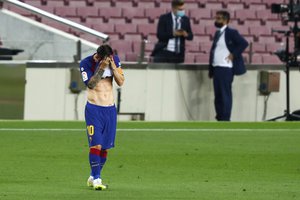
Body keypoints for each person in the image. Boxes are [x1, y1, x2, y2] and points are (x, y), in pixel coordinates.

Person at [79, 44, 124, 190]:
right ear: (98, 56)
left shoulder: (114, 59)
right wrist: (101, 68)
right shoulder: (86, 63)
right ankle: (98, 179)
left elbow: (121, 81)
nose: (110, 59)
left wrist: (113, 67)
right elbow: (90, 84)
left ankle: (93, 176)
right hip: (94, 109)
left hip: (110, 109)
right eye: (106, 58)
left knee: (105, 148)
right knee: (96, 144)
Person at [209, 10, 248, 121]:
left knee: (225, 94)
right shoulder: (218, 33)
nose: (216, 20)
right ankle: (220, 116)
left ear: (226, 20)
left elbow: (244, 43)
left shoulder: (231, 32)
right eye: (216, 18)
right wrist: (211, 69)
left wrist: (233, 54)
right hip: (217, 67)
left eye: (219, 18)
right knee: (218, 95)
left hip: (225, 68)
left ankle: (225, 118)